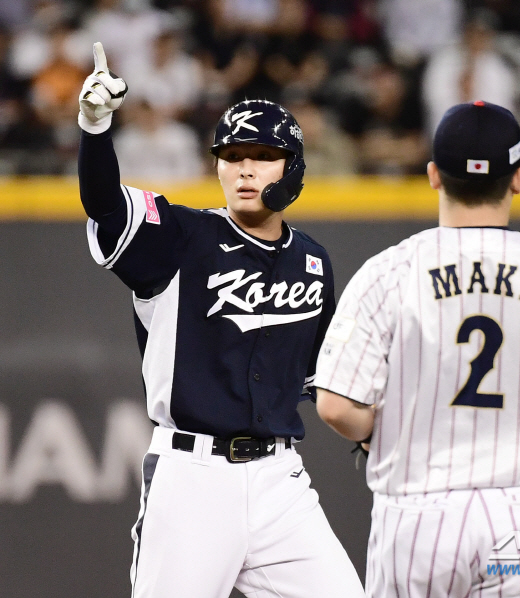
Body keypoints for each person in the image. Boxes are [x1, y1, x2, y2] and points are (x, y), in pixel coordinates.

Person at [77, 42, 364, 598]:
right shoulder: (180, 235)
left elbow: (322, 379)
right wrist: (94, 126)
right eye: (232, 156)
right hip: (193, 478)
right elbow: (105, 205)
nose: (244, 169)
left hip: (281, 481)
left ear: (293, 167)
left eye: (261, 155)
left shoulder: (312, 258)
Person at [314, 101, 520, 597]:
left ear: (434, 175)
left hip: (417, 517)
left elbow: (335, 406)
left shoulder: (389, 271)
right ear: (519, 178)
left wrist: (390, 426)